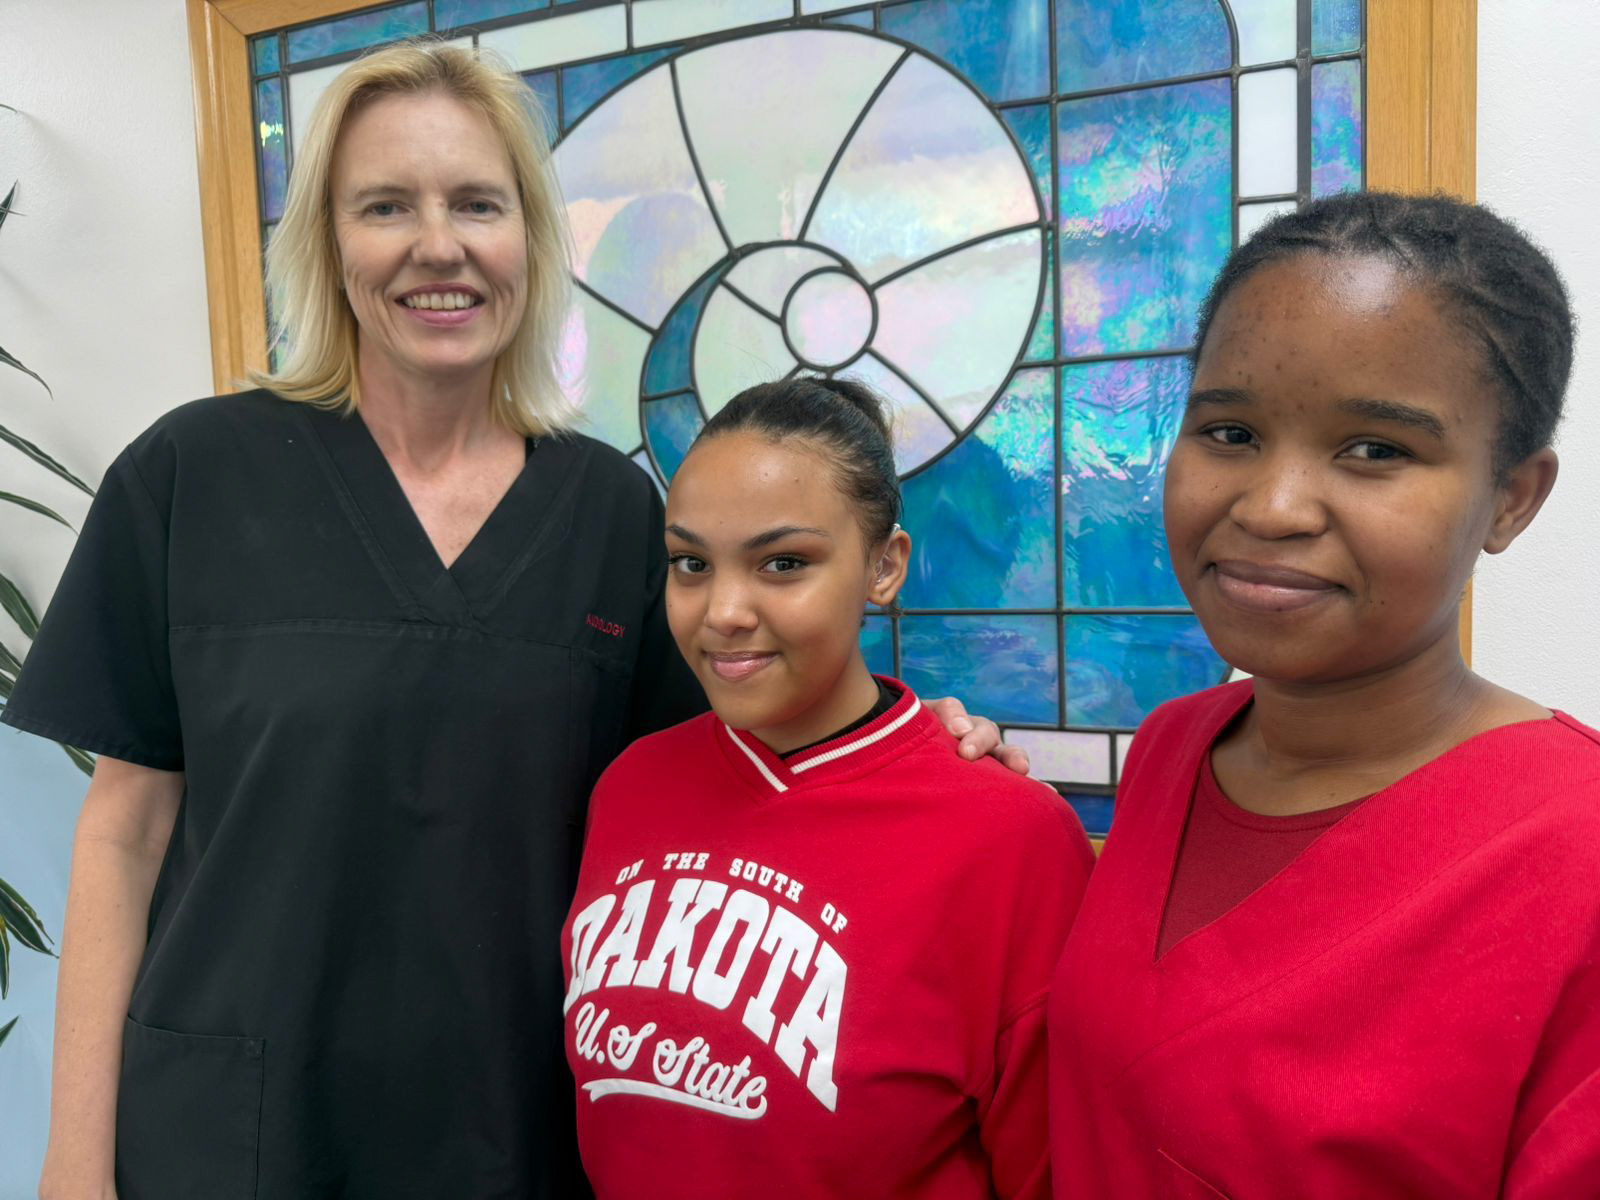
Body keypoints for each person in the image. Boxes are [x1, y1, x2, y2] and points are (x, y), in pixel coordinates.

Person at [4, 42, 1017, 1200]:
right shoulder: (191, 473)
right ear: (330, 245)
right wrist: (72, 1169)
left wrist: (920, 745)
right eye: (386, 205)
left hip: (508, 1130)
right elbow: (122, 832)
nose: (439, 244)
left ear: (529, 236)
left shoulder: (608, 510)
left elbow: (729, 780)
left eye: (476, 203)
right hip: (233, 1126)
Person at [1048, 191, 1600, 1198]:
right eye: (1228, 431)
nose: (1271, 507)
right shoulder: (1177, 749)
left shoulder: (1576, 856)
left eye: (1375, 450)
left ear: (1510, 498)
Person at [561, 376, 1095, 1199]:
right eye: (690, 563)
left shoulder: (1008, 836)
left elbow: (1056, 1171)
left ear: (885, 566)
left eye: (783, 563)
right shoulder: (631, 787)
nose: (723, 610)